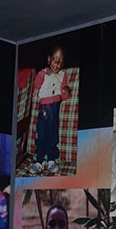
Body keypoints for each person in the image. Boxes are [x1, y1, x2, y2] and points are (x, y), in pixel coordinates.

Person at [30, 45, 71, 176]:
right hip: (43, 110)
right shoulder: (43, 73)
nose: (56, 63)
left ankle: (51, 160)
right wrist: (42, 73)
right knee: (41, 136)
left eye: (60, 61)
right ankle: (39, 161)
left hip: (54, 109)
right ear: (49, 59)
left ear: (62, 64)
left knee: (53, 136)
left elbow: (64, 96)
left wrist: (67, 91)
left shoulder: (63, 76)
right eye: (54, 59)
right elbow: (36, 84)